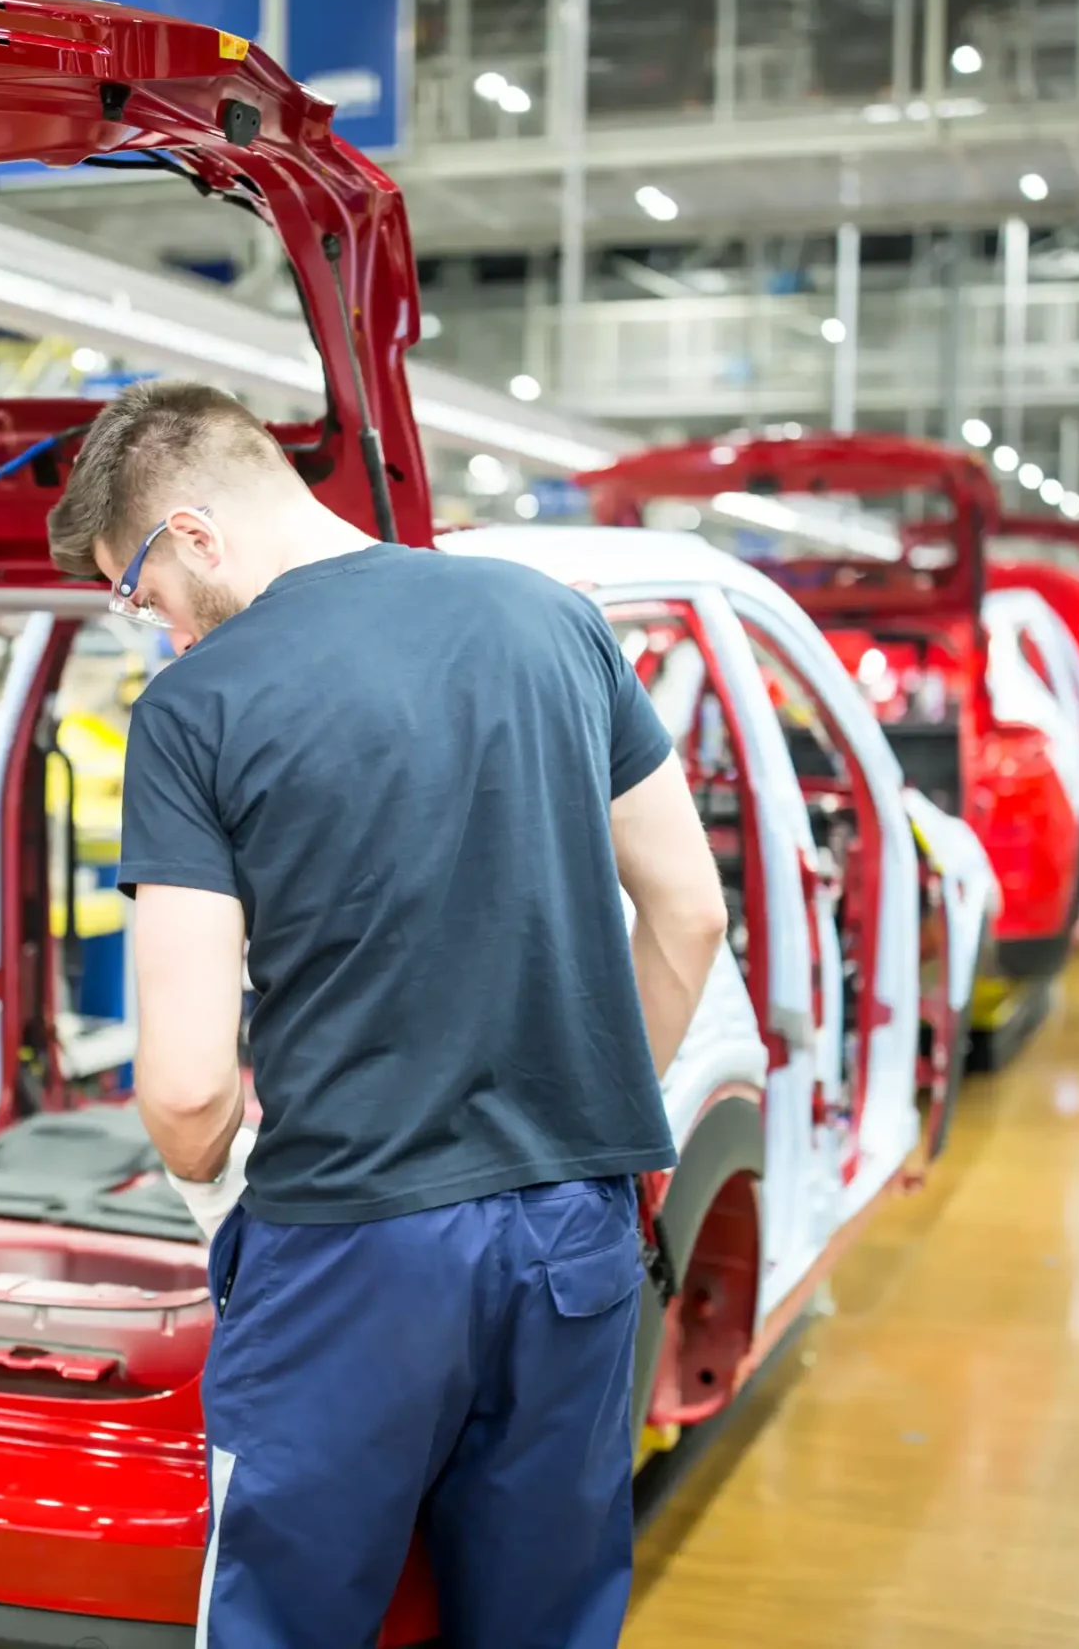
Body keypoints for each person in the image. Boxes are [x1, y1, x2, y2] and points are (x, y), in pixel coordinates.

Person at [47, 382, 732, 1647]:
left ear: (193, 533)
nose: (159, 630)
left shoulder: (197, 711)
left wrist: (207, 1182)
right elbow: (689, 911)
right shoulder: (555, 622)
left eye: (140, 591)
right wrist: (583, 1122)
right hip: (574, 1242)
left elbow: (189, 1087)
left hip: (351, 1249)